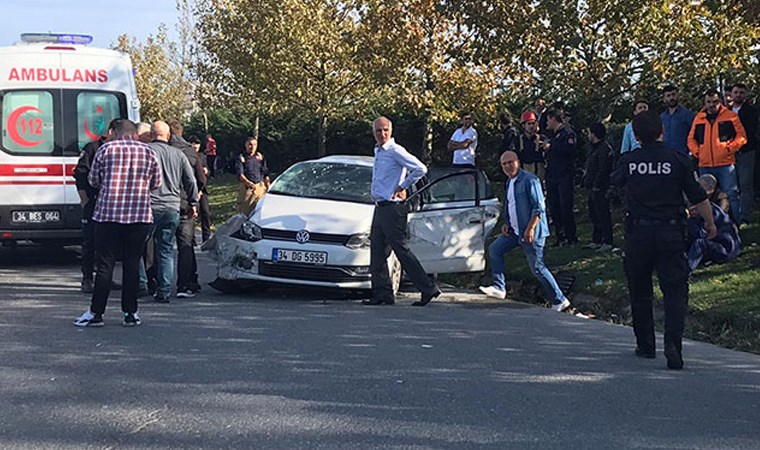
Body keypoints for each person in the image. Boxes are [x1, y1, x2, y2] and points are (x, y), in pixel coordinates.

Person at [613, 110, 716, 370]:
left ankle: (646, 345)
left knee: (640, 291)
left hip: (638, 234)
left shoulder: (628, 161)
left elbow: (613, 186)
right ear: (663, 132)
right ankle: (673, 345)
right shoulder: (677, 159)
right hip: (670, 233)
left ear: (635, 136)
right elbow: (698, 196)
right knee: (675, 291)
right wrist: (710, 223)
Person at [73, 119, 161, 327]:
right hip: (139, 216)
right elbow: (156, 183)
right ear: (135, 134)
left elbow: (93, 180)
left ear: (114, 132)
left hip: (108, 215)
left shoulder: (105, 150)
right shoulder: (148, 152)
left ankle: (97, 313)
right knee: (131, 263)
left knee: (105, 264)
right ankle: (130, 313)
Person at [478, 151, 571, 312]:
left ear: (518, 162)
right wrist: (506, 223)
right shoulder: (509, 182)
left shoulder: (530, 180)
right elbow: (509, 204)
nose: (507, 166)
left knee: (537, 267)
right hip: (515, 231)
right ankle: (499, 288)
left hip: (531, 232)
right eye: (504, 164)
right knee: (495, 249)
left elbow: (538, 208)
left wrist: (530, 229)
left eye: (510, 162)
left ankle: (559, 299)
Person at [365, 116, 441, 307]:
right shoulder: (379, 151)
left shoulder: (395, 150)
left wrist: (402, 186)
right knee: (377, 252)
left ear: (391, 131)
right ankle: (382, 293)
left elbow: (420, 168)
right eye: (378, 131)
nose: (382, 134)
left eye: (385, 130)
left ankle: (427, 288)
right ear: (373, 132)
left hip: (393, 208)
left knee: (401, 250)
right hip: (380, 206)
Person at [149, 121, 198, 303]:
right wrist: (193, 201)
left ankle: (141, 283)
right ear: (168, 136)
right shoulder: (178, 154)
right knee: (166, 249)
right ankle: (164, 290)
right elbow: (191, 181)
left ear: (152, 135)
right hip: (171, 206)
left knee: (139, 247)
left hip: (149, 206)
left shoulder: (145, 152)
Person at [687, 89, 747, 222]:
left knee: (731, 195)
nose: (711, 105)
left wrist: (728, 149)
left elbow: (742, 137)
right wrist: (698, 152)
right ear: (705, 102)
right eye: (708, 102)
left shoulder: (730, 116)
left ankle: (735, 225)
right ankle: (706, 225)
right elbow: (691, 139)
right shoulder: (699, 118)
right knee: (703, 197)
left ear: (720, 101)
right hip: (705, 163)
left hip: (725, 164)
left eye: (715, 102)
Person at [168, 119, 206, 298]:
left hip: (163, 203)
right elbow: (200, 178)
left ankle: (157, 284)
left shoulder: (158, 149)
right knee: (186, 245)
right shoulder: (190, 151)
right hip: (185, 204)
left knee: (161, 245)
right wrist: (195, 199)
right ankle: (186, 284)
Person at [73, 134, 106, 293]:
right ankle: (87, 278)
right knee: (89, 241)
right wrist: (83, 196)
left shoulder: (114, 149)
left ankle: (103, 276)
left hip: (108, 203)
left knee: (105, 242)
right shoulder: (92, 148)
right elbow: (80, 173)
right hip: (92, 200)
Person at [687, 175, 741, 272]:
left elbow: (701, 235)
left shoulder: (713, 211)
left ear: (711, 190)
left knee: (700, 243)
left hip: (726, 250)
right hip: (721, 245)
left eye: (700, 187)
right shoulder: (712, 208)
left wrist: (688, 221)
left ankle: (686, 271)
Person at [544, 109, 577, 246]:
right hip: (552, 175)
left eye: (548, 119)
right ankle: (560, 236)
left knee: (565, 207)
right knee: (554, 206)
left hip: (564, 175)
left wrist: (551, 147)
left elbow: (570, 150)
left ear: (553, 119)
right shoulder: (553, 135)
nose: (546, 122)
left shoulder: (567, 134)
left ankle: (571, 237)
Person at [730, 83, 758, 225]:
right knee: (731, 185)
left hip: (746, 151)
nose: (738, 95)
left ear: (745, 94)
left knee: (745, 184)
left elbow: (751, 131)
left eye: (741, 92)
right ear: (731, 94)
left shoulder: (751, 111)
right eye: (736, 92)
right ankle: (732, 215)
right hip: (729, 153)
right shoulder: (725, 112)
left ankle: (745, 216)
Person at [583, 122, 613, 251]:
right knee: (594, 213)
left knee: (603, 214)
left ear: (594, 134)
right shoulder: (593, 148)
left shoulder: (604, 149)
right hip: (591, 186)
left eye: (590, 132)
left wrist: (597, 184)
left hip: (600, 187)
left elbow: (603, 169)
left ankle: (607, 240)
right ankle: (597, 239)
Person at [236, 137, 270, 215]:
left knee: (260, 211)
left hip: (260, 187)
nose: (252, 147)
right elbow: (240, 174)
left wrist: (268, 186)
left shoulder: (260, 157)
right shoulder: (242, 157)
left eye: (254, 144)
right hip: (247, 188)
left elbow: (265, 173)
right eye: (250, 144)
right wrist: (248, 183)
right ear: (246, 145)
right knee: (245, 212)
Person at [660, 85, 695, 155]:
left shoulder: (688, 114)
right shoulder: (661, 117)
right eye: (668, 96)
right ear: (664, 99)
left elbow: (695, 134)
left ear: (678, 96)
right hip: (666, 155)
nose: (671, 98)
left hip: (683, 155)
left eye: (673, 94)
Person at [190, 135, 212, 242]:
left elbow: (208, 169)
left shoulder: (202, 156)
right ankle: (192, 237)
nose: (196, 146)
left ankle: (206, 237)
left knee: (206, 213)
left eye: (198, 144)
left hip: (202, 189)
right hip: (192, 188)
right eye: (194, 144)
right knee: (192, 214)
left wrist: (206, 170)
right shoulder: (188, 156)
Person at [512, 111, 546, 181]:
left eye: (533, 123)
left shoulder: (542, 139)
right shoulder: (518, 140)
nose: (531, 126)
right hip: (523, 174)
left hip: (538, 175)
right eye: (529, 124)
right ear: (523, 125)